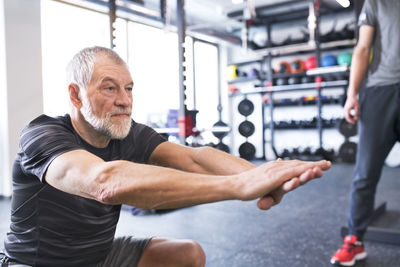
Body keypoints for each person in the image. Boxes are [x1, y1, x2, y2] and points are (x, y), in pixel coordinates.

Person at [1, 46, 331, 267]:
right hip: (36, 262)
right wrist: (236, 186)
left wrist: (264, 177)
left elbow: (195, 158)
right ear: (75, 94)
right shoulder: (42, 135)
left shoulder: (127, 132)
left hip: (99, 256)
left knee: (188, 255)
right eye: (109, 88)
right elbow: (105, 181)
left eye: (128, 88)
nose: (124, 100)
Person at [330, 0, 400, 266]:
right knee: (365, 172)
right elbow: (362, 47)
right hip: (380, 90)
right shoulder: (376, 2)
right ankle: (354, 241)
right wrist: (352, 95)